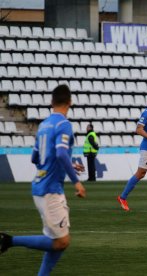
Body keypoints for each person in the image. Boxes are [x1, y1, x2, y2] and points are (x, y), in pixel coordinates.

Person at [0, 84, 86, 275]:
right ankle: (8, 240)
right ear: (70, 102)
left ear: (51, 102)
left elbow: (35, 158)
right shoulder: (64, 124)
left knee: (57, 242)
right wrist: (76, 182)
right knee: (61, 241)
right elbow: (61, 154)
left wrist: (69, 166)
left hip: (41, 186)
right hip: (50, 190)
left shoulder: (44, 126)